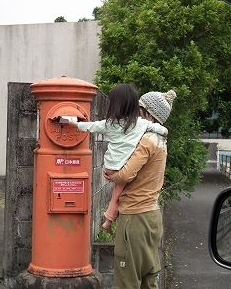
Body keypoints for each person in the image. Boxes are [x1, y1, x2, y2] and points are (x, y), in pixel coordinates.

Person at [68, 83, 168, 235]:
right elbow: (161, 130)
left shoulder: (109, 124)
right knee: (117, 194)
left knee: (117, 193)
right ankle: (108, 219)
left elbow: (91, 126)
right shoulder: (140, 125)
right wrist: (164, 131)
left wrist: (74, 123)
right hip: (122, 168)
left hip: (110, 166)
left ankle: (108, 219)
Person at [104, 89, 176, 289]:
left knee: (127, 279)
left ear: (149, 114)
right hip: (152, 216)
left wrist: (110, 174)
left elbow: (126, 174)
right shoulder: (161, 140)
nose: (134, 114)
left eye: (138, 109)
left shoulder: (146, 140)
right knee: (149, 277)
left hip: (135, 217)